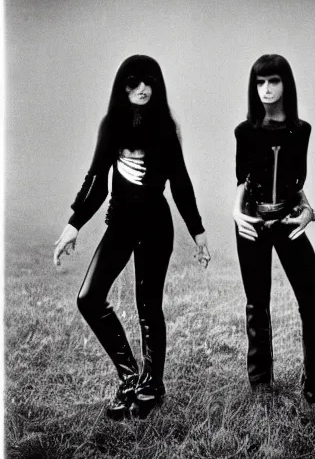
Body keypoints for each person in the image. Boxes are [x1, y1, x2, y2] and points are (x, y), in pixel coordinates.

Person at [53, 55, 210, 420]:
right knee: (89, 298)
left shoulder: (165, 130)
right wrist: (72, 225)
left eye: (149, 82)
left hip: (156, 225)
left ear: (157, 86)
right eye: (134, 82)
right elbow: (96, 181)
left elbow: (181, 184)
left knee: (147, 305)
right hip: (120, 224)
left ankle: (152, 384)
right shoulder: (112, 126)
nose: (142, 89)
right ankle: (129, 377)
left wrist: (198, 232)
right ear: (122, 87)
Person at [233, 54, 315, 404]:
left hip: (289, 220)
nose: (266, 89)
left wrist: (308, 209)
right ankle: (260, 384)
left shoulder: (301, 130)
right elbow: (243, 181)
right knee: (257, 301)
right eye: (260, 82)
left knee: (314, 299)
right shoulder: (244, 131)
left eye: (273, 81)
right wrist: (235, 211)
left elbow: (293, 181)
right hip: (252, 222)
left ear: (286, 84)